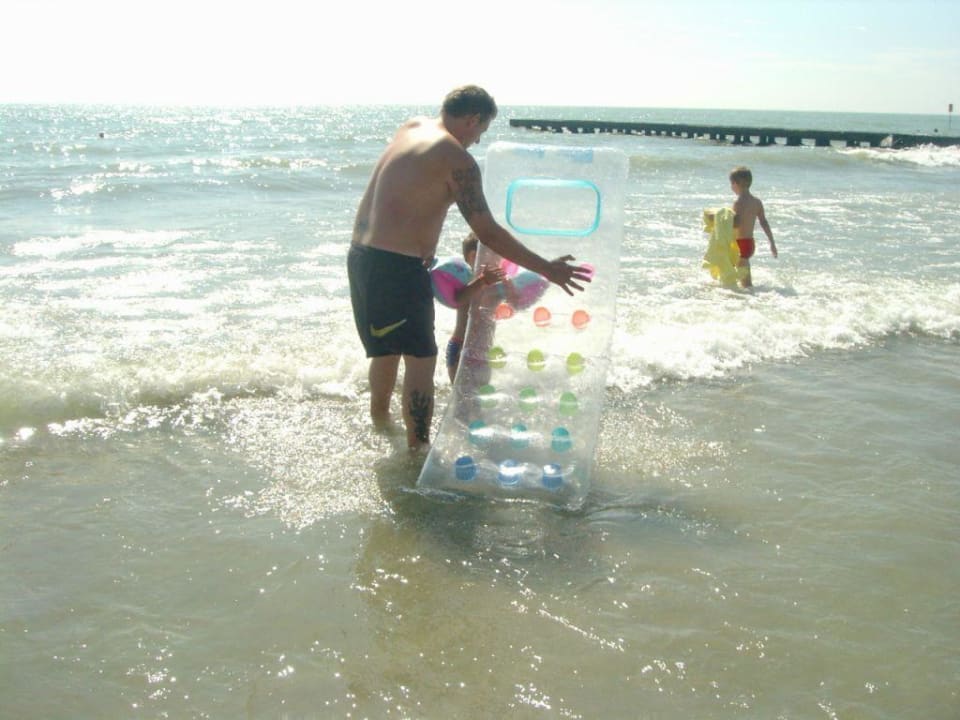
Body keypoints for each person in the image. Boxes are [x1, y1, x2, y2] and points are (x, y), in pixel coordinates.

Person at [348, 84, 591, 450]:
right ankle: (417, 450)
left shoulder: (411, 127)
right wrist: (547, 268)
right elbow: (487, 231)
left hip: (362, 258)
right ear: (473, 119)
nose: (477, 141)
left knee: (384, 350)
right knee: (420, 358)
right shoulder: (457, 160)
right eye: (481, 131)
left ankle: (380, 425)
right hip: (397, 270)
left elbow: (405, 193)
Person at [445, 232, 504, 383]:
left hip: (484, 351)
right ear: (473, 257)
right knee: (461, 395)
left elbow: (515, 300)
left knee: (480, 395)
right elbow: (458, 300)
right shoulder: (466, 280)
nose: (499, 260)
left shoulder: (494, 284)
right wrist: (483, 281)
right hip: (461, 348)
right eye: (495, 255)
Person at [729, 166, 778, 287]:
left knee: (739, 280)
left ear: (735, 184)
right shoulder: (757, 202)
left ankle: (746, 295)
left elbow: (735, 224)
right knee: (742, 273)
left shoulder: (738, 203)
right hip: (749, 244)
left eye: (731, 184)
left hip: (739, 244)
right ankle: (746, 293)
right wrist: (772, 243)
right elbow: (764, 222)